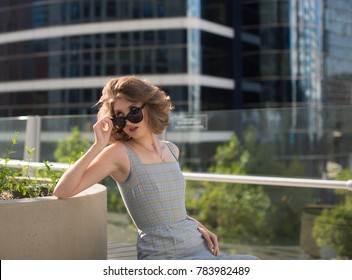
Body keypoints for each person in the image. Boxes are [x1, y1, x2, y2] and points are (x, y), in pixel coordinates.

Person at [54, 75, 258, 260]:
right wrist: (98, 145)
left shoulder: (171, 150)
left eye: (133, 112)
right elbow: (63, 191)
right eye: (120, 116)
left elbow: (168, 208)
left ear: (148, 107)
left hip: (197, 246)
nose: (128, 121)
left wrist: (196, 224)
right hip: (164, 256)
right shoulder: (119, 153)